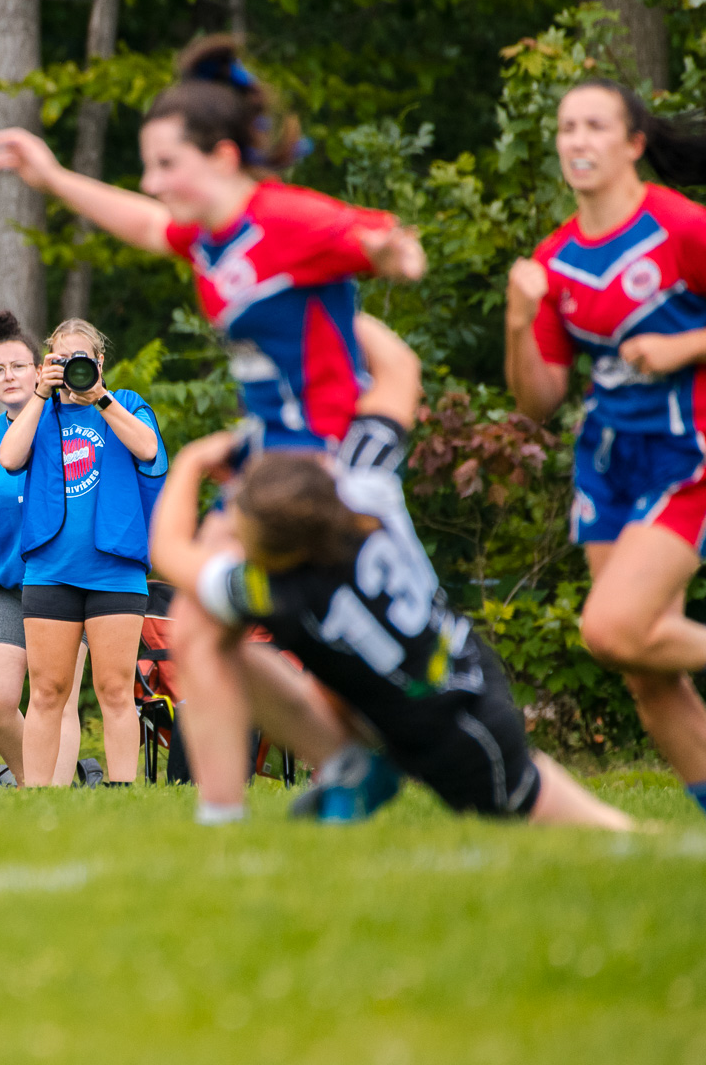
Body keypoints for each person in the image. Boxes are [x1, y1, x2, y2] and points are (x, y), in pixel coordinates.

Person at [0, 34, 429, 815]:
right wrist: (50, 176)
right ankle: (239, 813)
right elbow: (146, 225)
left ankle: (376, 743)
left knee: (366, 642)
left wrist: (387, 253)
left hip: (332, 465)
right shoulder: (212, 237)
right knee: (197, 629)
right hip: (270, 464)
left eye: (164, 166)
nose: (153, 184)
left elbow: (394, 249)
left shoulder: (290, 219)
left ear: (220, 156)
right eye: (147, 170)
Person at [151, 435, 634, 829]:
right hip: (460, 683)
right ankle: (353, 764)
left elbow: (169, 553)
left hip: (452, 735)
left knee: (553, 813)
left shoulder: (280, 590)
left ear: (271, 546)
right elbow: (400, 373)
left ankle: (639, 840)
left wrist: (191, 463)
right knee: (537, 784)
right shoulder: (367, 513)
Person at [504, 78, 706, 818]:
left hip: (688, 454)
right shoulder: (553, 259)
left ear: (633, 145)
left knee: (612, 628)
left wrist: (686, 342)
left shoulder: (680, 227)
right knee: (643, 672)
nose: (578, 140)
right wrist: (520, 319)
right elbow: (539, 400)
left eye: (595, 126)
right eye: (566, 128)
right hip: (608, 466)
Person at [0, 318, 166, 786]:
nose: (73, 367)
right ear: (49, 363)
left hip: (116, 572)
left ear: (99, 361)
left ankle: (122, 792)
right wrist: (37, 393)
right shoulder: (41, 412)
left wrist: (102, 398)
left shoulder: (127, 404)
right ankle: (37, 796)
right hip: (51, 572)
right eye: (61, 359)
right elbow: (9, 458)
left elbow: (149, 449)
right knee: (47, 692)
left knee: (115, 690)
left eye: (82, 359)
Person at [0, 311, 89, 785]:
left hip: (65, 584)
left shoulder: (71, 428)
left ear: (40, 370)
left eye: (18, 366)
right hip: (1, 588)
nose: (8, 376)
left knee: (59, 700)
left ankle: (52, 799)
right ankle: (36, 786)